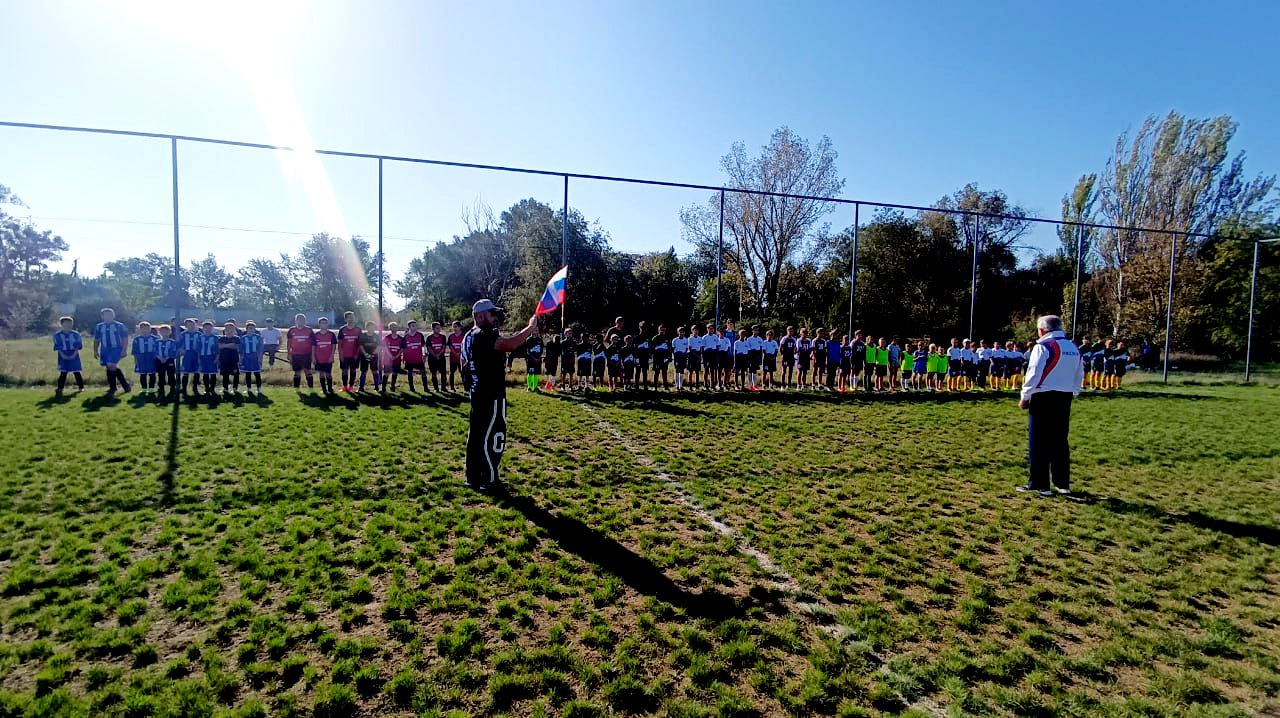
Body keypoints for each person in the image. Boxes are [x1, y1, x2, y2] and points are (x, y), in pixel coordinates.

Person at [461, 298, 538, 492]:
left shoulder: (469, 336)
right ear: (479, 316)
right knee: (492, 436)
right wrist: (529, 328)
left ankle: (473, 477)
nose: (496, 317)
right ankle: (489, 480)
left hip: (477, 393)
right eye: (491, 314)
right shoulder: (483, 335)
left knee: (477, 436)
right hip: (491, 394)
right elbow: (509, 344)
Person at [1018, 315, 1084, 497]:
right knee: (1060, 441)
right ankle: (1062, 484)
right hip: (1065, 397)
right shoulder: (1073, 347)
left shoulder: (1043, 347)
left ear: (1042, 330)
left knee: (1038, 441)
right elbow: (1080, 372)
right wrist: (1074, 391)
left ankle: (1040, 484)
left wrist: (1025, 396)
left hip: (1043, 397)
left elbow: (1033, 373)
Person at [93, 308, 131, 394]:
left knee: (111, 365)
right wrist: (95, 351)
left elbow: (125, 338)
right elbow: (96, 339)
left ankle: (125, 385)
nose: (108, 317)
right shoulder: (99, 326)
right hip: (105, 349)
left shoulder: (119, 325)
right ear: (102, 316)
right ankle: (113, 387)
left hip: (116, 348)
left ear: (113, 315)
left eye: (110, 315)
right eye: (106, 315)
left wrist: (124, 350)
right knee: (109, 367)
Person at [53, 316, 85, 395]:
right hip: (62, 354)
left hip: (74, 353)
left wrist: (74, 354)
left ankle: (81, 387)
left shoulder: (76, 334)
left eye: (70, 323)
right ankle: (60, 388)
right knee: (63, 372)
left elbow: (78, 346)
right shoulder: (57, 335)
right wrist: (63, 355)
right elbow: (57, 346)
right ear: (62, 324)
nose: (68, 325)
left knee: (76, 371)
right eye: (66, 323)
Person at [287, 314, 316, 391]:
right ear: (295, 320)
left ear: (305, 321)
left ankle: (311, 389)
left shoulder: (309, 330)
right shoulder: (291, 330)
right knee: (297, 372)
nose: (300, 321)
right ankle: (297, 390)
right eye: (298, 319)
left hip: (306, 354)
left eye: (302, 319)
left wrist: (313, 355)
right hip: (295, 355)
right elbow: (289, 343)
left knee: (308, 371)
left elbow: (313, 344)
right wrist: (289, 354)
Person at [177, 318, 202, 398]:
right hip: (187, 355)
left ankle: (195, 388)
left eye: (193, 324)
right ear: (186, 326)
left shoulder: (199, 334)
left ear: (195, 325)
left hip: (196, 354)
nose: (191, 326)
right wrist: (181, 350)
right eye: (189, 325)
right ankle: (184, 389)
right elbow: (178, 345)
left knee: (196, 372)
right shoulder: (183, 334)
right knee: (185, 372)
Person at [130, 321, 158, 396]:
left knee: (152, 374)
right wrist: (136, 361)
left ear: (150, 329)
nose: (145, 330)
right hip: (141, 359)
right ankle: (144, 389)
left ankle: (151, 389)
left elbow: (158, 350)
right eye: (143, 329)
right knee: (143, 375)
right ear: (140, 329)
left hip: (152, 359)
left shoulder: (155, 339)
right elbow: (134, 351)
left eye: (146, 328)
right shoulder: (137, 339)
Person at [338, 312, 363, 392]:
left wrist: (357, 354)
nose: (350, 319)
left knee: (353, 370)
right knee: (344, 370)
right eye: (348, 317)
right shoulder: (342, 329)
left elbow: (360, 343)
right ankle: (345, 387)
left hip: (354, 355)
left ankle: (351, 387)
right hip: (345, 355)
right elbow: (340, 344)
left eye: (352, 317)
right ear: (345, 319)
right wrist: (340, 355)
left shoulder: (358, 330)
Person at [313, 317, 338, 395]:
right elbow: (313, 347)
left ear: (327, 324)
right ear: (319, 324)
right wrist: (313, 357)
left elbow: (334, 347)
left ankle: (330, 389)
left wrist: (331, 356)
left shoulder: (331, 334)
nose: (323, 324)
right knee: (321, 374)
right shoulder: (315, 335)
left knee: (328, 374)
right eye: (322, 323)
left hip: (328, 358)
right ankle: (324, 389)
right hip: (318, 358)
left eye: (325, 323)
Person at [401, 320, 427, 392]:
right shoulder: (405, 337)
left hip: (419, 358)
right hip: (409, 359)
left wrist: (424, 354)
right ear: (409, 327)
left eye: (415, 325)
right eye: (413, 326)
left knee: (423, 372)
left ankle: (426, 388)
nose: (415, 327)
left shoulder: (420, 335)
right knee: (410, 373)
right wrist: (403, 357)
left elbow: (423, 346)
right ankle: (411, 388)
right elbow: (403, 348)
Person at [217, 321, 242, 397]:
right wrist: (230, 345)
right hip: (224, 360)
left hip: (234, 360)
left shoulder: (237, 338)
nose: (229, 330)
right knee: (225, 375)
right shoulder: (221, 338)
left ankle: (235, 388)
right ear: (225, 329)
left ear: (234, 329)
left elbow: (236, 346)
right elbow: (220, 346)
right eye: (227, 329)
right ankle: (225, 388)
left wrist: (225, 345)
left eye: (231, 328)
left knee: (236, 374)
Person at [240, 321, 264, 395]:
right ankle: (249, 389)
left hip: (255, 357)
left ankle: (259, 389)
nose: (251, 330)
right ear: (246, 329)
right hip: (247, 357)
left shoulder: (258, 337)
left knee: (257, 373)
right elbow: (241, 349)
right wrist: (241, 358)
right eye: (250, 328)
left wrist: (259, 357)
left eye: (253, 328)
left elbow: (261, 348)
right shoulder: (243, 338)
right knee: (248, 374)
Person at [197, 321, 220, 396]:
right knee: (205, 374)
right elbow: (198, 349)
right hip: (203, 358)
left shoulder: (215, 338)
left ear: (212, 328)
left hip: (212, 358)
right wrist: (199, 359)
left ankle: (212, 389)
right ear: (203, 329)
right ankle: (207, 389)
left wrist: (217, 358)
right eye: (206, 328)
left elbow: (218, 350)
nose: (207, 329)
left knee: (213, 374)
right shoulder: (200, 338)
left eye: (209, 328)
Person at [357, 320, 381, 392]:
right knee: (364, 372)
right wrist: (365, 354)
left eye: (372, 327)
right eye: (369, 327)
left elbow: (379, 346)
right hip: (364, 356)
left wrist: (373, 354)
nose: (371, 328)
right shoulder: (363, 336)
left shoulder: (376, 336)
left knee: (375, 371)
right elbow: (361, 346)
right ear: (366, 327)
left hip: (374, 357)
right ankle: (361, 388)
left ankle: (377, 387)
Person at [155, 325, 177, 400]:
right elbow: (154, 351)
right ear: (159, 332)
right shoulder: (157, 342)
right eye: (162, 331)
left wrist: (166, 358)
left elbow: (173, 351)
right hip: (159, 360)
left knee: (171, 374)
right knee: (161, 374)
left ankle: (172, 388)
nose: (164, 333)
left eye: (166, 331)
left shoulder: (172, 342)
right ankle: (161, 388)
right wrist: (160, 358)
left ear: (170, 332)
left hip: (169, 360)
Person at [424, 321, 448, 392]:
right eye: (437, 328)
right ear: (433, 329)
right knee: (433, 373)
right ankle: (436, 388)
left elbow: (444, 347)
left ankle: (443, 387)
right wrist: (435, 355)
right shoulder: (429, 338)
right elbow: (429, 348)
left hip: (441, 358)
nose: (439, 329)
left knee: (443, 373)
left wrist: (439, 355)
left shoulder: (443, 337)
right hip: (432, 359)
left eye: (439, 328)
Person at [380, 322, 403, 392]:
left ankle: (392, 386)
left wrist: (397, 355)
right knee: (386, 373)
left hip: (397, 359)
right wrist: (390, 355)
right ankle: (383, 387)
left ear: (397, 328)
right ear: (389, 328)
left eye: (395, 327)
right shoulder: (387, 338)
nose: (393, 328)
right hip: (388, 359)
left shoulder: (401, 338)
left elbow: (402, 349)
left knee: (394, 373)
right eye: (392, 327)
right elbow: (385, 348)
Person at [448, 321, 467, 391]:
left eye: (456, 326)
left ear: (460, 327)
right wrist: (455, 353)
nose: (454, 328)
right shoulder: (451, 336)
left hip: (462, 358)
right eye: (453, 327)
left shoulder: (464, 336)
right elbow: (450, 346)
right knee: (452, 372)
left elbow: (465, 346)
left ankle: (465, 387)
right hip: (453, 358)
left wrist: (460, 353)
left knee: (463, 373)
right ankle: (452, 387)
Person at [651, 325, 671, 390]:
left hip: (665, 358)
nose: (663, 331)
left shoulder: (667, 338)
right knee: (657, 372)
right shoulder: (655, 338)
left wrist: (669, 357)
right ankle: (655, 386)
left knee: (664, 372)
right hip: (657, 358)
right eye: (661, 330)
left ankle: (665, 386)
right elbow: (652, 349)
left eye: (664, 330)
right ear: (658, 330)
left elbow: (669, 349)